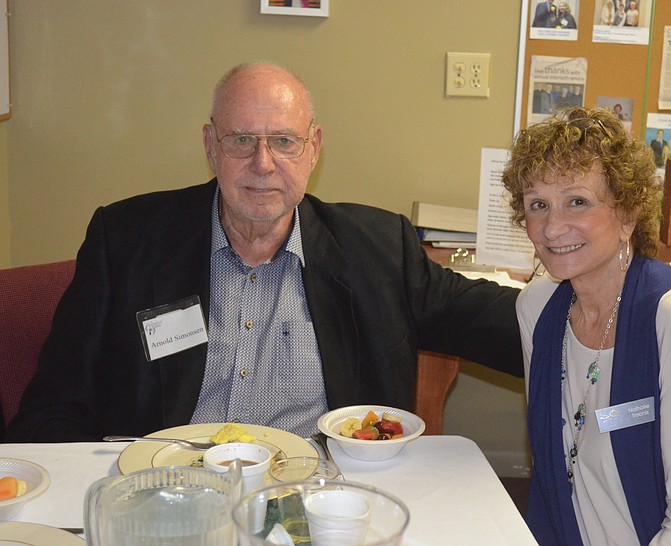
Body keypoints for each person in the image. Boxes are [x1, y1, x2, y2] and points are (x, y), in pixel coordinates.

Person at [5, 63, 523, 442]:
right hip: (170, 501)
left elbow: (505, 324)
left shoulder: (379, 250)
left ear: (313, 148)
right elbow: (52, 409)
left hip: (319, 504)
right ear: (210, 146)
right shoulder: (126, 241)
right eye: (241, 140)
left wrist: (576, 287)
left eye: (284, 141)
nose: (263, 163)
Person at [502, 107, 671, 545]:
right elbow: (557, 474)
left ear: (627, 215)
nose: (552, 228)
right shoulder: (536, 310)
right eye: (539, 205)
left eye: (578, 201)